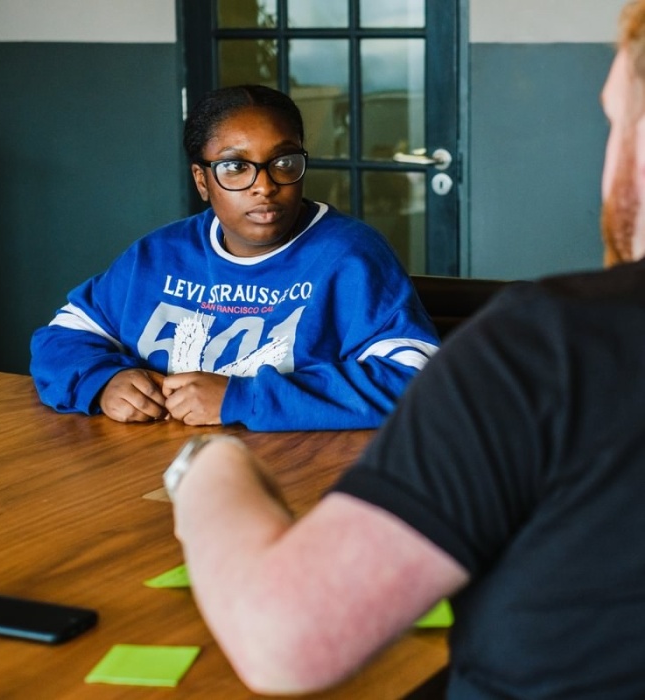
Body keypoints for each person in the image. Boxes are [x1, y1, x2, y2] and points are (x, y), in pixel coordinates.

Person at [164, 3, 645, 697]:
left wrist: (205, 464)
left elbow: (284, 640)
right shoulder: (161, 253)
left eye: (614, 121)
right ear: (203, 179)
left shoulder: (552, 343)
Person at [29, 85, 438, 431]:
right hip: (155, 469)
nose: (264, 185)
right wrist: (104, 381)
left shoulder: (351, 257)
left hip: (295, 478)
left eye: (283, 162)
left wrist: (244, 398)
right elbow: (61, 339)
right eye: (236, 166)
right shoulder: (157, 255)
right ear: (201, 180)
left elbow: (417, 381)